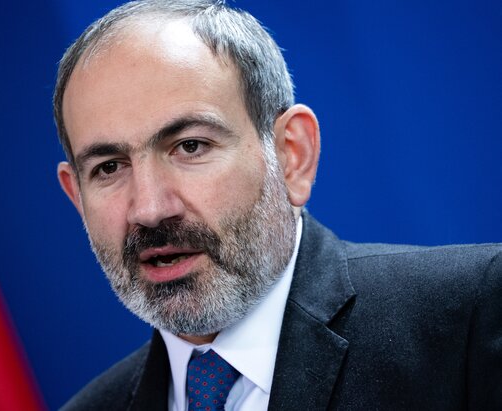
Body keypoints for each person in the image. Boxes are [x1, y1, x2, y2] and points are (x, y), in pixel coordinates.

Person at [52, 1, 502, 409]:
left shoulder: (472, 317)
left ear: (292, 155)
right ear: (77, 198)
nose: (149, 209)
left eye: (190, 146)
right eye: (108, 168)